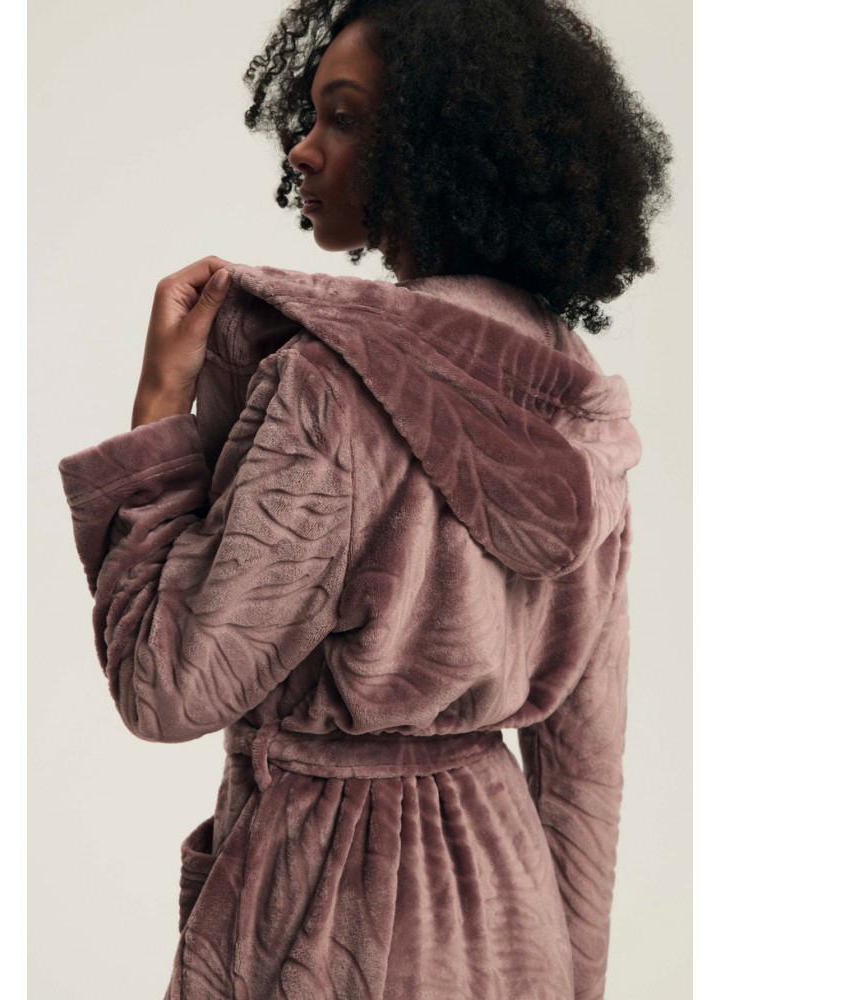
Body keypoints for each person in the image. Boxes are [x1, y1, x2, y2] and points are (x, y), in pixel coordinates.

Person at [58, 1, 672, 998]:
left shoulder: (330, 388)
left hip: (334, 899)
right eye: (309, 116)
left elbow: (167, 685)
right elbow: (583, 757)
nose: (301, 150)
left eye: (343, 119)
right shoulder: (578, 402)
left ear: (439, 151)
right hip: (511, 910)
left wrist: (159, 407)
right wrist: (572, 979)